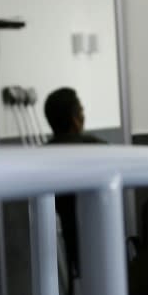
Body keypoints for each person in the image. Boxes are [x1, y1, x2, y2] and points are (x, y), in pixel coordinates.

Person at [44, 87, 105, 279]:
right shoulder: (96, 149)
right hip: (101, 246)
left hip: (71, 251)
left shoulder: (42, 155)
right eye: (81, 110)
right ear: (74, 117)